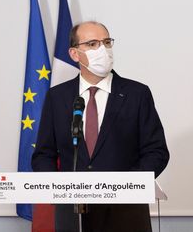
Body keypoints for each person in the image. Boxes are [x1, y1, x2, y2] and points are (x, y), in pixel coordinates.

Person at [32, 21, 169, 232]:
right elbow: (43, 155)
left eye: (106, 42)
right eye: (93, 44)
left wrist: (127, 187)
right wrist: (59, 190)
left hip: (126, 214)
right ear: (74, 54)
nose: (102, 50)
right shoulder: (57, 97)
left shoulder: (137, 94)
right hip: (73, 213)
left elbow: (157, 151)